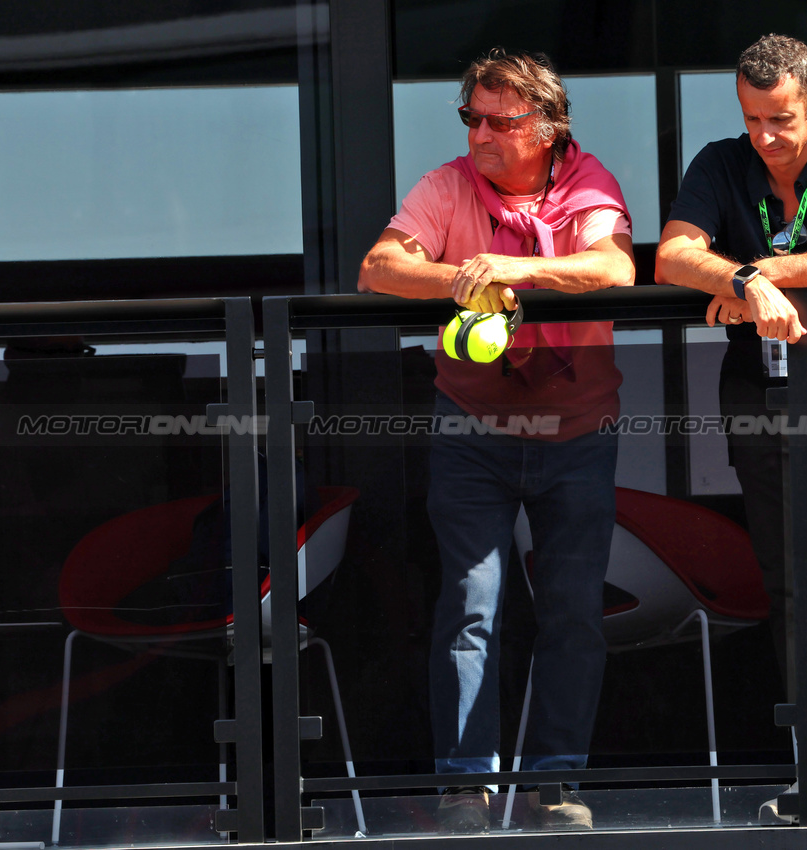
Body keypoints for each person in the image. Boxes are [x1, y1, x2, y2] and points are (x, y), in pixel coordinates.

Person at [359, 48, 634, 833]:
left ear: (546, 128)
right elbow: (379, 267)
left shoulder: (587, 181)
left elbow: (612, 268)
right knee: (469, 608)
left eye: (499, 121)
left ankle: (554, 786)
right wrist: (456, 277)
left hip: (576, 431)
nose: (480, 133)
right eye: (471, 117)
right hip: (471, 428)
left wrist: (505, 269)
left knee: (573, 611)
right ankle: (465, 791)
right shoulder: (447, 184)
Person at [654, 33, 807, 824]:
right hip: (759, 389)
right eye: (752, 119)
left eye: (782, 120)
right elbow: (670, 258)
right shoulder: (719, 163)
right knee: (790, 574)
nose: (765, 137)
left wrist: (760, 277)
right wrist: (732, 279)